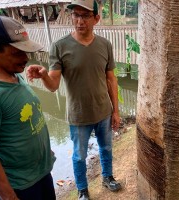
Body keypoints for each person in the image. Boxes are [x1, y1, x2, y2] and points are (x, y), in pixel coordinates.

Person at [27, 0, 121, 199]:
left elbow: (111, 79)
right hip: (78, 115)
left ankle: (107, 177)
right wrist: (44, 75)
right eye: (76, 15)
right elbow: (53, 86)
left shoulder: (105, 45)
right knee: (79, 156)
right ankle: (82, 190)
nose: (79, 21)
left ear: (96, 18)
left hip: (103, 110)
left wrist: (116, 111)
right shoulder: (59, 46)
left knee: (106, 147)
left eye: (85, 15)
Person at [0, 16, 56, 200]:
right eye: (17, 52)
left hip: (40, 174)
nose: (26, 57)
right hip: (21, 187)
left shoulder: (13, 74)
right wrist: (9, 197)